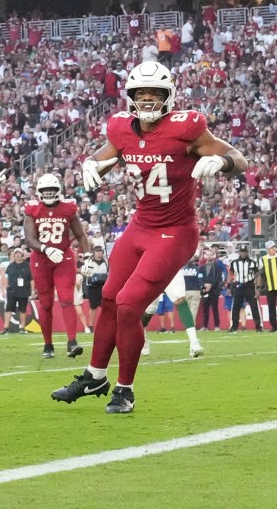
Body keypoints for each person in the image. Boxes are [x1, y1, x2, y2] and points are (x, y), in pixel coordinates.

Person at [53, 61, 247, 414]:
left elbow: (240, 157)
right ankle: (95, 375)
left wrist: (222, 164)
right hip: (140, 226)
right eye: (141, 93)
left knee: (129, 304)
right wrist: (88, 163)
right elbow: (106, 154)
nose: (147, 99)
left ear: (169, 96)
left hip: (175, 231)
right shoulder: (121, 128)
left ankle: (125, 389)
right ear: (129, 96)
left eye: (155, 93)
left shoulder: (187, 127)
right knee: (110, 297)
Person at [24, 173, 91, 358]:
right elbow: (29, 239)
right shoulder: (32, 209)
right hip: (41, 259)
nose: (48, 193)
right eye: (45, 190)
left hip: (64, 258)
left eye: (51, 190)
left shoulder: (68, 208)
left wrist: (88, 258)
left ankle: (72, 342)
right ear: (39, 191)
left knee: (66, 298)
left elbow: (80, 235)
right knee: (45, 304)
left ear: (58, 191)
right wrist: (46, 249)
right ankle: (48, 344)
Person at [228, 243, 262, 332]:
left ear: (247, 252)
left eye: (245, 252)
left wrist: (258, 288)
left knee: (254, 306)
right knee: (236, 306)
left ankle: (258, 326)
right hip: (239, 285)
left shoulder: (252, 262)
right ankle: (234, 326)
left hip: (250, 285)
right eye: (242, 252)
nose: (243, 254)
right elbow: (230, 274)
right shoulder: (234, 263)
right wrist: (228, 286)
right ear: (239, 252)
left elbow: (257, 275)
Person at [0, 248, 32, 334]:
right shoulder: (10, 266)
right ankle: (6, 327)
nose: (18, 255)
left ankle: (22, 327)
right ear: (14, 255)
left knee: (22, 309)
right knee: (8, 309)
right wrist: (6, 287)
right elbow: (6, 277)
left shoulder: (27, 266)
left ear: (22, 255)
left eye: (19, 253)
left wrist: (32, 291)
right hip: (12, 291)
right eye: (16, 253)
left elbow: (31, 279)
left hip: (23, 290)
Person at [197, 246, 225, 331]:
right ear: (205, 256)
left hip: (214, 291)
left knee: (215, 309)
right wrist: (204, 285)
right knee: (205, 309)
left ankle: (217, 326)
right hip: (205, 290)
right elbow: (199, 277)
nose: (209, 256)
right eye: (207, 255)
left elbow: (218, 278)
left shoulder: (218, 267)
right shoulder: (201, 268)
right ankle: (205, 326)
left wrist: (211, 285)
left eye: (211, 255)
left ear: (214, 256)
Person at [83, 245, 108, 330]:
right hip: (93, 287)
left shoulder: (106, 261)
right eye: (97, 251)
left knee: (105, 307)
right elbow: (85, 272)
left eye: (100, 251)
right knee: (93, 307)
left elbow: (110, 271)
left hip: (104, 286)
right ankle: (91, 326)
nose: (99, 253)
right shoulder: (89, 261)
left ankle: (105, 324)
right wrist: (93, 277)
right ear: (94, 252)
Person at [262, 240, 277, 332]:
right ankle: (274, 326)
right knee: (271, 307)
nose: (274, 249)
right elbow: (261, 273)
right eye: (271, 247)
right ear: (267, 249)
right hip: (270, 287)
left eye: (274, 247)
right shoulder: (264, 259)